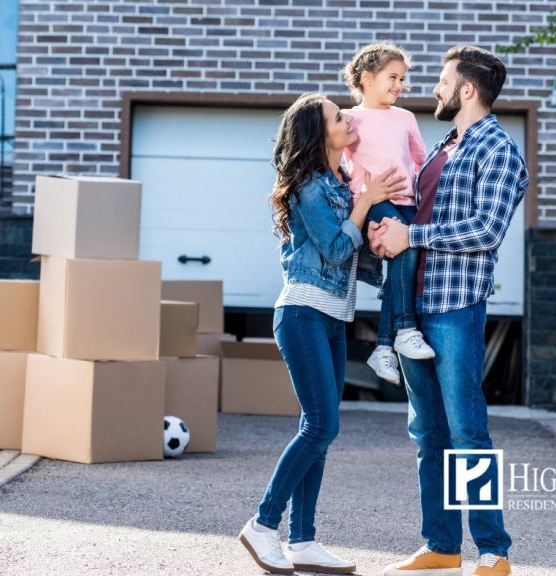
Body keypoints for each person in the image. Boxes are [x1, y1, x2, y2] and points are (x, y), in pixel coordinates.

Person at [369, 45, 528, 576]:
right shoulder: (441, 147)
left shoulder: (499, 151)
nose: (433, 89)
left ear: (467, 89)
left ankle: (493, 551)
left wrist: (410, 234)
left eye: (442, 81)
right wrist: (386, 234)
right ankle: (441, 546)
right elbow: (412, 216)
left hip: (455, 305)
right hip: (413, 306)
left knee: (466, 431)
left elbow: (485, 231)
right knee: (427, 434)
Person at [238, 92, 406, 575]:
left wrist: (382, 236)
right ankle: (263, 524)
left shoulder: (341, 183)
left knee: (320, 429)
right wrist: (367, 203)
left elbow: (356, 258)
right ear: (320, 133)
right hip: (303, 313)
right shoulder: (308, 186)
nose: (348, 118)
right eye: (338, 116)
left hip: (334, 316)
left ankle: (303, 540)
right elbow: (334, 250)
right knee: (321, 425)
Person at [342, 42, 436, 386]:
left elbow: (421, 162)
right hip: (375, 201)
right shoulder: (350, 119)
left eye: (403, 79)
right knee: (404, 253)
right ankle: (404, 330)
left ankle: (384, 346)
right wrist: (362, 200)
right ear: (367, 78)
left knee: (404, 261)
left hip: (407, 201)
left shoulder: (406, 118)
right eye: (392, 77)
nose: (399, 85)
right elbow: (339, 163)